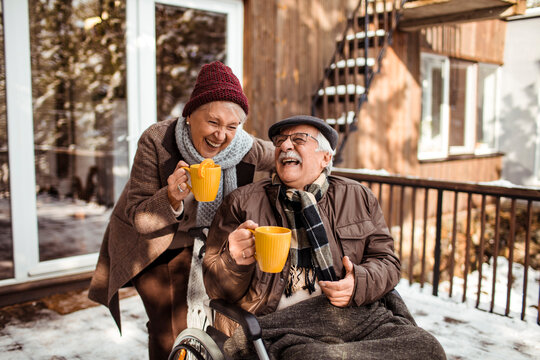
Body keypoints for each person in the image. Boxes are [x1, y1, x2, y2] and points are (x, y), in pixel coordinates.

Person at [203, 115, 446, 359]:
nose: (285, 146)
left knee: (427, 347)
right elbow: (216, 289)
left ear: (325, 158)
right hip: (281, 324)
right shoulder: (243, 202)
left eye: (299, 139)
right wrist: (233, 261)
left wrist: (358, 283)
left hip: (354, 315)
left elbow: (387, 261)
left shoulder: (358, 197)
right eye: (280, 142)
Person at [88, 61, 275, 360]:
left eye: (231, 126)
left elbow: (284, 156)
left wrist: (319, 159)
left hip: (211, 243)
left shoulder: (243, 146)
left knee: (223, 324)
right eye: (213, 123)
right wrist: (171, 197)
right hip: (154, 244)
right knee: (169, 330)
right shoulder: (157, 141)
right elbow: (140, 218)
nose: (221, 135)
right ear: (189, 115)